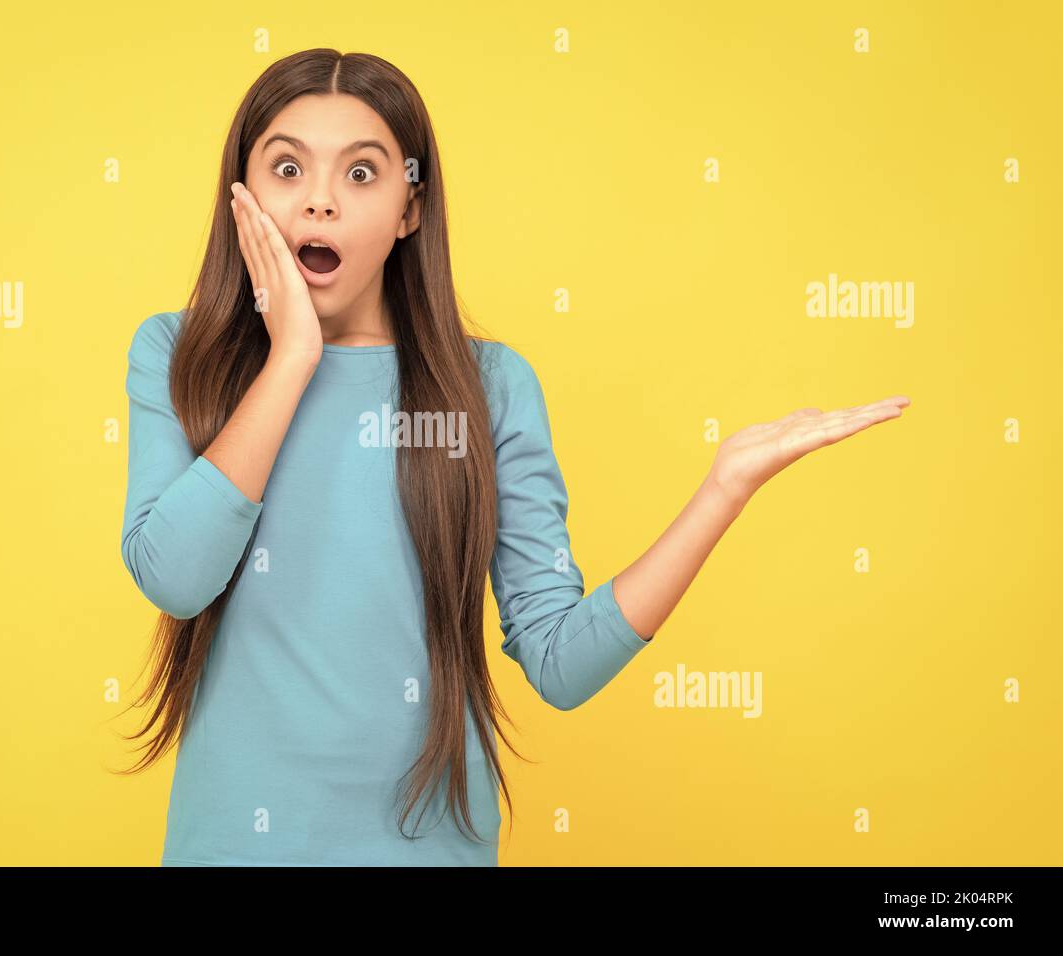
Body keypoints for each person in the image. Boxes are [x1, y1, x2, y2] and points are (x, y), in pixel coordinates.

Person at [117, 49, 910, 866]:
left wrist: (724, 488)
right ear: (240, 195)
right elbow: (175, 577)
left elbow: (562, 662)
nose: (319, 200)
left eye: (362, 174)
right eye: (287, 168)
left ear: (408, 209)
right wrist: (291, 359)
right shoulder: (179, 356)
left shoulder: (488, 388)